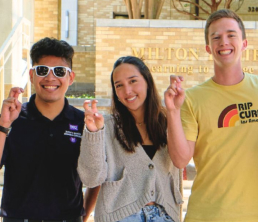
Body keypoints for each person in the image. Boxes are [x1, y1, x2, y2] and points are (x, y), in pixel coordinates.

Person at [164, 9, 258, 221]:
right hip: (206, 215)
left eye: (231, 35)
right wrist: (173, 112)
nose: (224, 42)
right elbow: (180, 160)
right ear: (208, 48)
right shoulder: (191, 98)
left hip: (257, 216)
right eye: (216, 37)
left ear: (244, 43)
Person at [0, 37, 99, 221]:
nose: (50, 77)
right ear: (31, 75)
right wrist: (4, 126)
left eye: (59, 71)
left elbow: (97, 176)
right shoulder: (11, 119)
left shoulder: (83, 122)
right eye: (42, 70)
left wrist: (83, 215)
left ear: (70, 78)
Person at [77, 56, 182, 222]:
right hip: (120, 216)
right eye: (119, 85)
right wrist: (92, 133)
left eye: (133, 81)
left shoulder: (169, 122)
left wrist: (174, 111)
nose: (127, 91)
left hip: (165, 215)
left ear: (147, 81)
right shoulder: (106, 126)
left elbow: (181, 163)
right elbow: (91, 179)